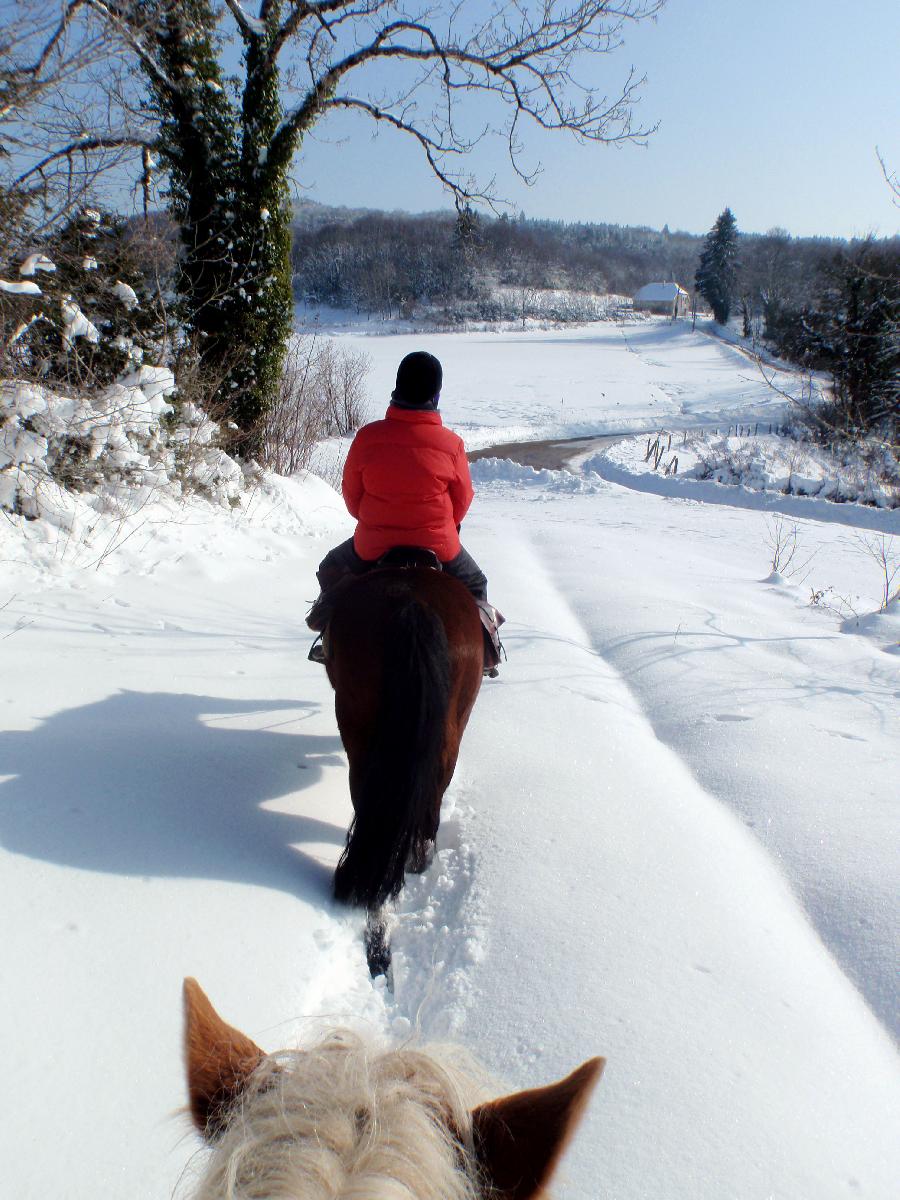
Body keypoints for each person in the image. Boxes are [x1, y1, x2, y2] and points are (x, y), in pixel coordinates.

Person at [308, 350, 502, 674]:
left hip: (373, 546)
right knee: (475, 582)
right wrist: (444, 526)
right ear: (435, 394)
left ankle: (328, 635)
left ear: (396, 389)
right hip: (439, 545)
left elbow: (352, 497)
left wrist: (375, 521)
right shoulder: (451, 444)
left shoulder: (368, 437)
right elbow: (463, 499)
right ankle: (484, 655)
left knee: (331, 566)